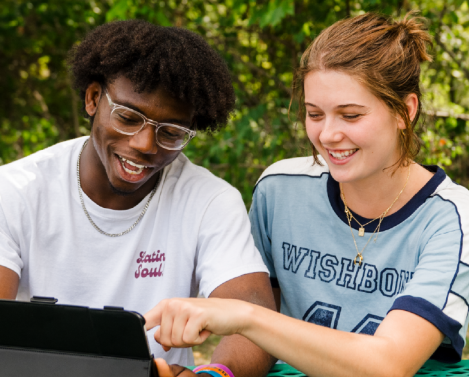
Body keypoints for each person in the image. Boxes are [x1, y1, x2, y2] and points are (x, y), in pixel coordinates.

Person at [145, 13, 469, 377]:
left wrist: (244, 315)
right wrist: (217, 374)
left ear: (405, 111)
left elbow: (388, 365)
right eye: (314, 114)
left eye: (351, 115)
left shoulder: (454, 219)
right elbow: (260, 326)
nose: (327, 135)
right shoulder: (280, 190)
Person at [0, 20, 277, 376]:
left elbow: (255, 320)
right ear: (93, 99)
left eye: (172, 132)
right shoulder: (17, 189)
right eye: (129, 118)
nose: (145, 144)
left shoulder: (209, 200)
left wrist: (212, 375)